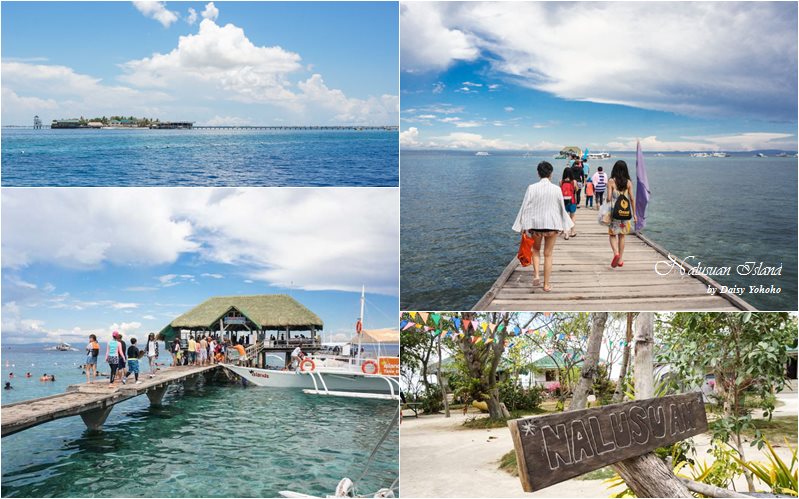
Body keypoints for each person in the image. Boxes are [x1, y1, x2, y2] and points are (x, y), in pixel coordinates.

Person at [512, 161, 574, 292]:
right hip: (552, 226)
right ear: (551, 174)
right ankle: (546, 285)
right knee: (548, 254)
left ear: (538, 173)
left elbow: (524, 207)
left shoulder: (532, 187)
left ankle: (536, 275)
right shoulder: (557, 189)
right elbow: (561, 209)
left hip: (536, 226)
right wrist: (565, 226)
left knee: (536, 251)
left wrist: (521, 225)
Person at [606, 160, 637, 268]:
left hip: (614, 213)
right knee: (622, 235)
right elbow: (632, 199)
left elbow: (609, 198)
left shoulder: (611, 181)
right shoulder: (628, 182)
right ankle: (620, 259)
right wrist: (635, 214)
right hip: (625, 213)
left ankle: (616, 253)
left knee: (612, 234)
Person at [560, 167, 577, 239]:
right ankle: (572, 231)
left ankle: (566, 234)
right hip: (572, 201)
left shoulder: (561, 181)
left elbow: (560, 191)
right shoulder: (574, 181)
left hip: (564, 201)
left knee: (565, 217)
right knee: (572, 216)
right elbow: (576, 190)